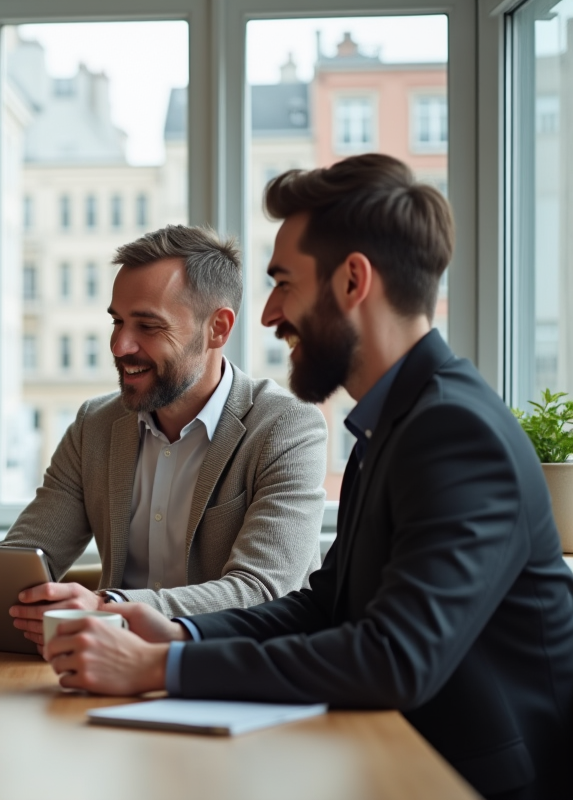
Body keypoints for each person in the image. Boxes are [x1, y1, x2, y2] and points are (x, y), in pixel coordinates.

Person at [45, 154, 573, 800]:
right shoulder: (394, 424)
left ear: (353, 281)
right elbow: (327, 607)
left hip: (468, 781)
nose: (268, 315)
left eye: (284, 283)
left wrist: (161, 666)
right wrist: (182, 631)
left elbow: (393, 657)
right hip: (391, 759)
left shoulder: (453, 432)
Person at [1, 225, 328, 645]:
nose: (120, 345)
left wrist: (108, 608)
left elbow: (260, 591)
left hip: (231, 675)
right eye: (117, 322)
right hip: (105, 669)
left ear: (218, 329)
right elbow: (25, 558)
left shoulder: (286, 427)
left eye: (148, 327)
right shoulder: (94, 425)